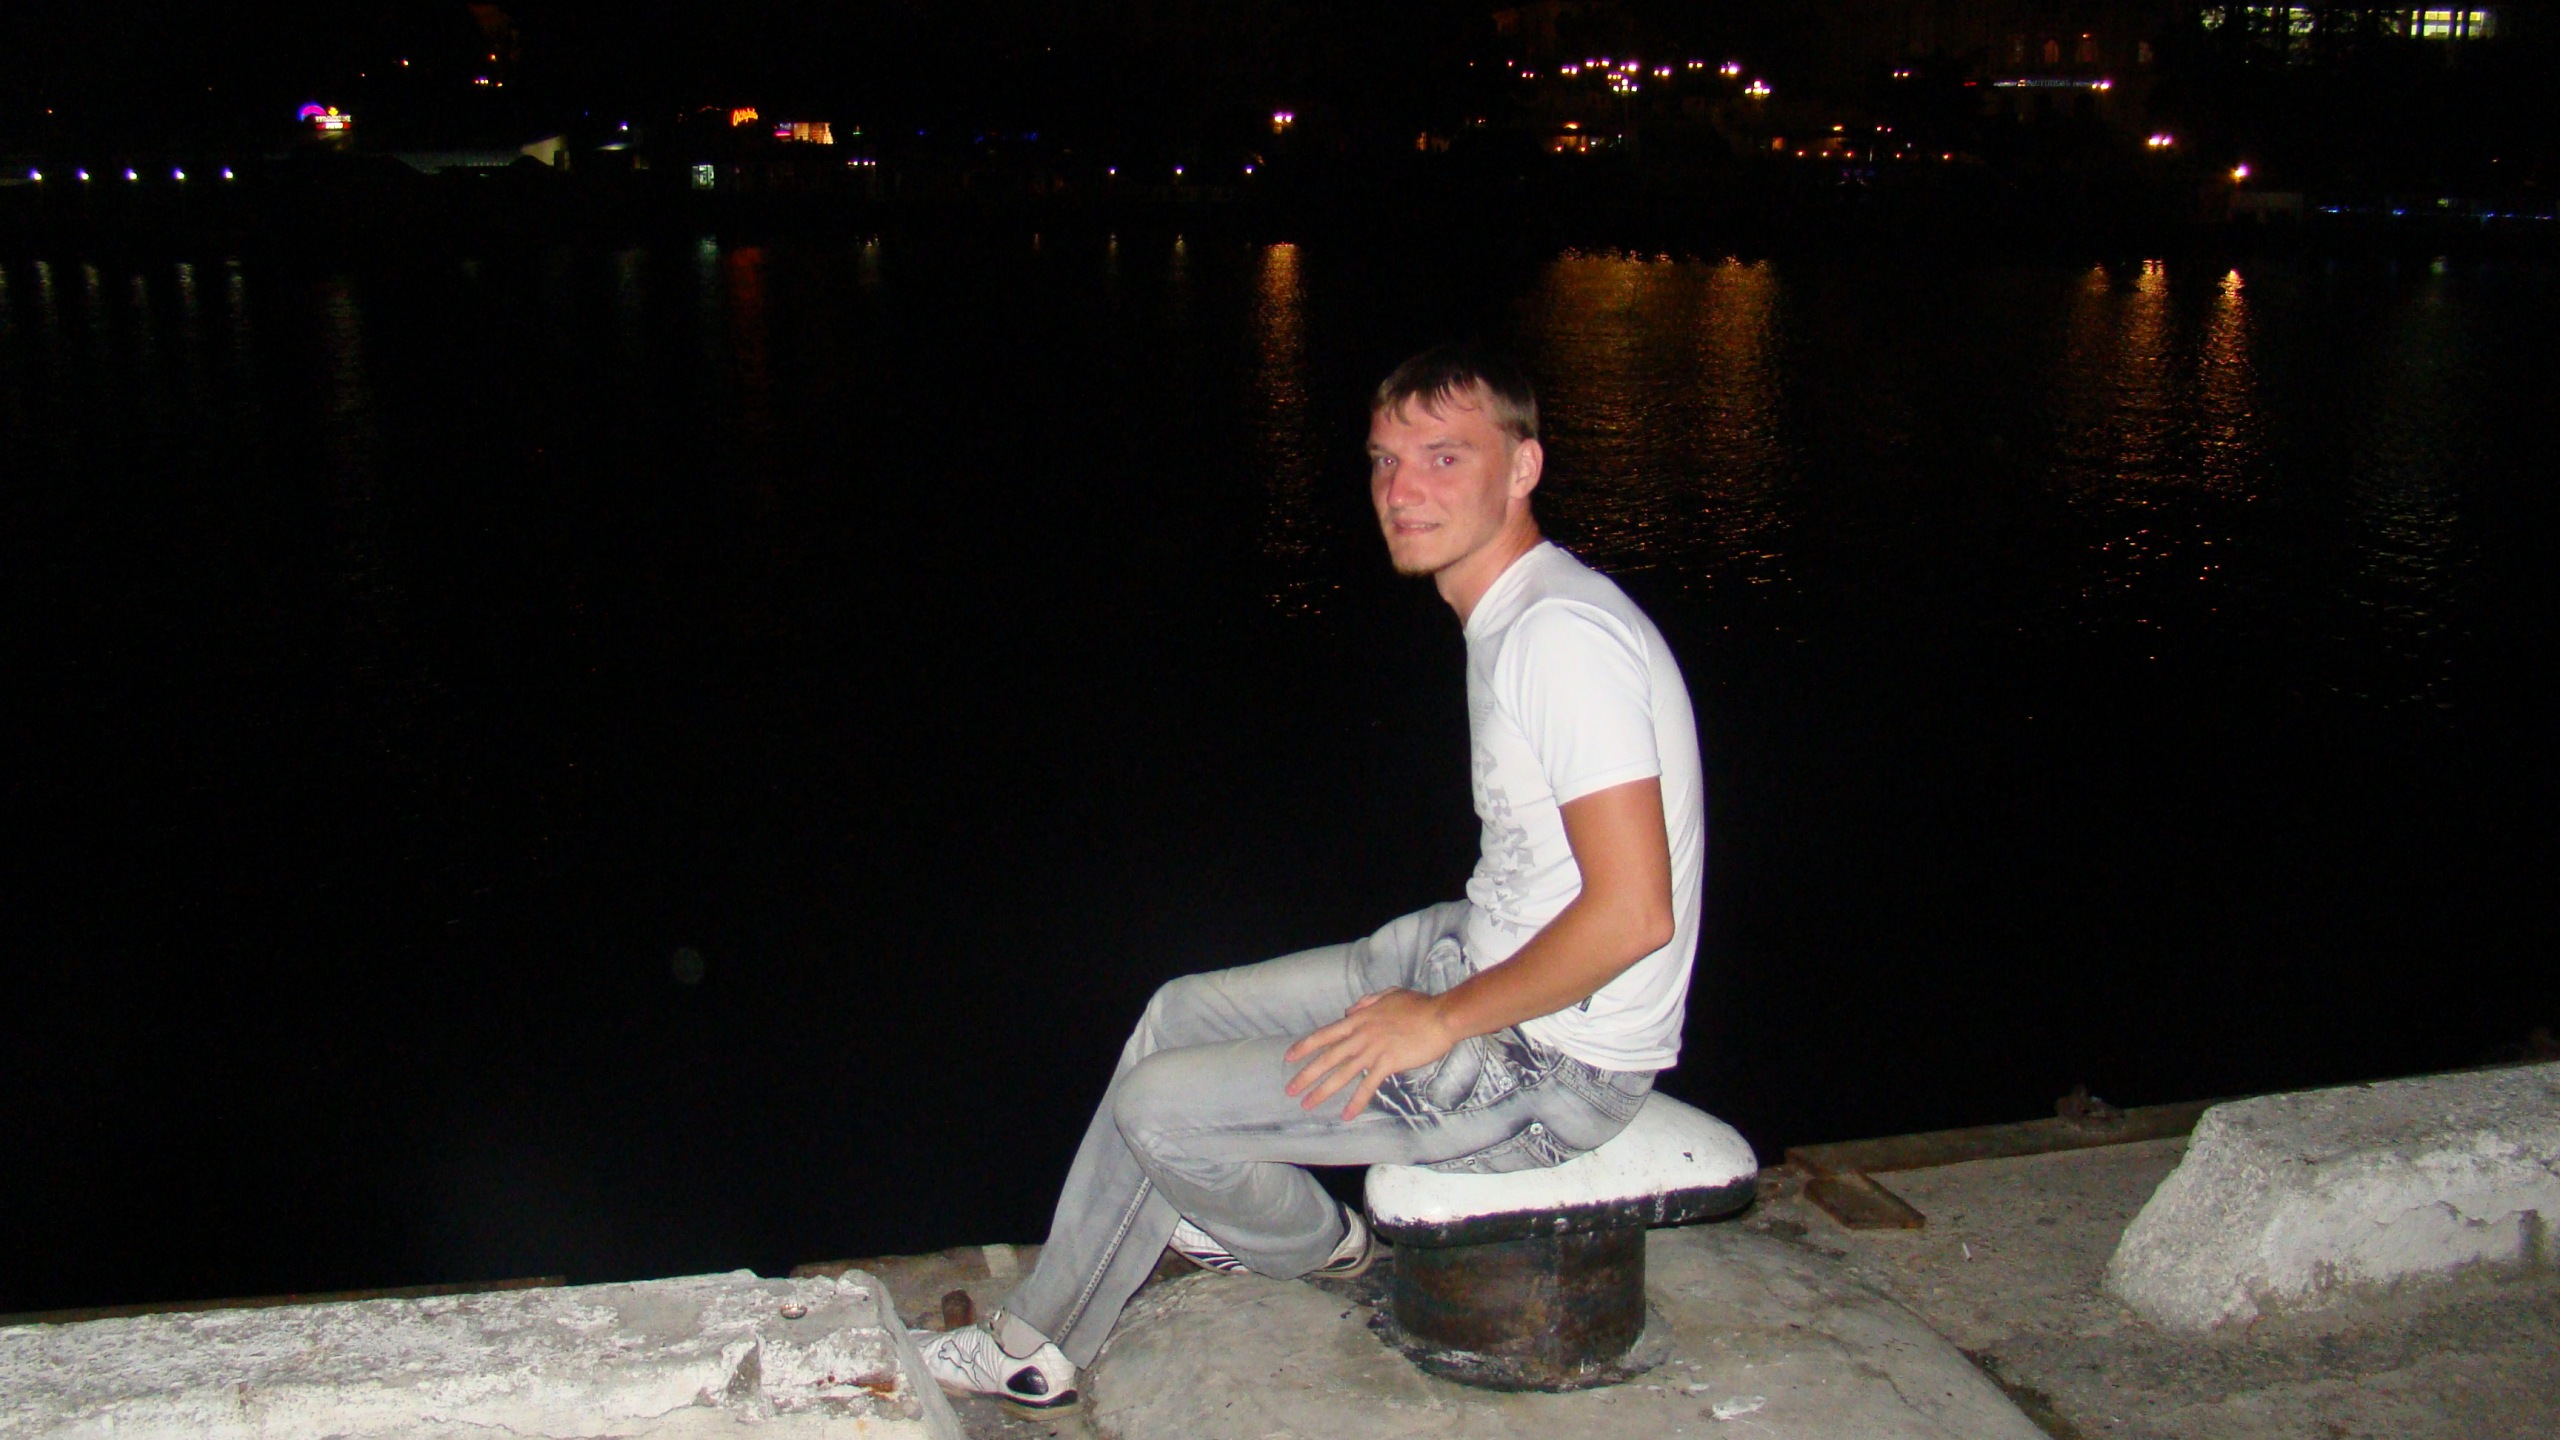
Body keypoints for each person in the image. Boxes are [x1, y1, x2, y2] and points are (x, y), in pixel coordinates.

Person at [919, 344, 1707, 1413]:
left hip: (1558, 1063)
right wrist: (1445, 989)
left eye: (1444, 456)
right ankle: (1126, 1296)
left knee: (1160, 1113)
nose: (1402, 490)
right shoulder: (1520, 608)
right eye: (1385, 460)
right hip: (1482, 950)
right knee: (1176, 1013)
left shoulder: (1558, 638)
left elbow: (1634, 914)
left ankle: (1289, 1250)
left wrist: (1439, 1020)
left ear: (1522, 468)